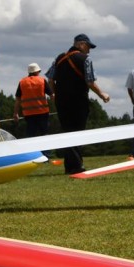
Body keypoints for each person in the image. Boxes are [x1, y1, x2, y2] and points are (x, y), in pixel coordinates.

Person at [46, 33, 110, 175]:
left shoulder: (59, 58)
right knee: (77, 133)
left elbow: (50, 79)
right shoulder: (85, 59)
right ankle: (76, 166)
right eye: (88, 47)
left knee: (67, 132)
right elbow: (90, 82)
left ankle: (70, 166)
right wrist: (102, 94)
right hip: (78, 101)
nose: (89, 50)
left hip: (61, 102)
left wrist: (54, 95)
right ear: (81, 44)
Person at [14, 62, 54, 138]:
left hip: (29, 114)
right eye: (39, 71)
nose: (39, 73)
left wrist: (16, 113)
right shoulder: (42, 81)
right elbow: (52, 96)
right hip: (43, 113)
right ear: (36, 71)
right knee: (45, 135)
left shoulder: (22, 82)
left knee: (30, 136)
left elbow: (18, 100)